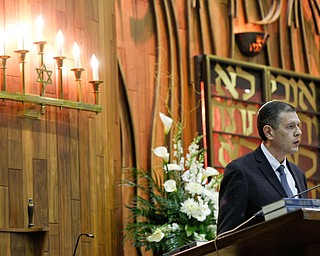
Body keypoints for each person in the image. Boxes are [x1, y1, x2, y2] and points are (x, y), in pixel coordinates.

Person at [217, 101, 308, 235]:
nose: (298, 132)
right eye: (290, 127)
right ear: (269, 132)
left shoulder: (298, 173)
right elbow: (226, 236)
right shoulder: (241, 171)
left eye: (298, 126)